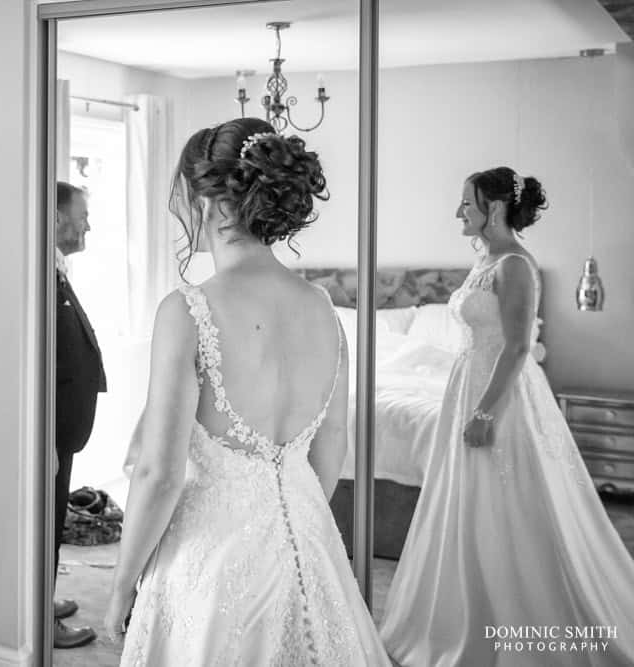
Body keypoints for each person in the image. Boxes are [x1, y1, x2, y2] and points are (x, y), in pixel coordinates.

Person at [104, 118, 390, 666]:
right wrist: (291, 521)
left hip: (213, 558)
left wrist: (122, 584)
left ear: (215, 205)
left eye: (185, 194)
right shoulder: (324, 309)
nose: (178, 207)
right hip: (308, 539)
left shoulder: (186, 309)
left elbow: (158, 473)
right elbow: (331, 446)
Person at [379, 167, 634, 666]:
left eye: (466, 203)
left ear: (493, 208)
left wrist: (483, 413)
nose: (459, 212)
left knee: (510, 503)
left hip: (498, 397)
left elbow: (517, 347)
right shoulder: (486, 259)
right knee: (466, 501)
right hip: (464, 384)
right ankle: (465, 607)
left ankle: (519, 617)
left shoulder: (515, 265)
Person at [53, 181, 107, 649]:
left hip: (65, 421)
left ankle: (41, 597)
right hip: (50, 426)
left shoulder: (56, 265)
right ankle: (40, 622)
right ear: (55, 219)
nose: (88, 223)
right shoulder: (37, 272)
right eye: (82, 214)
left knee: (51, 517)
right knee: (46, 518)